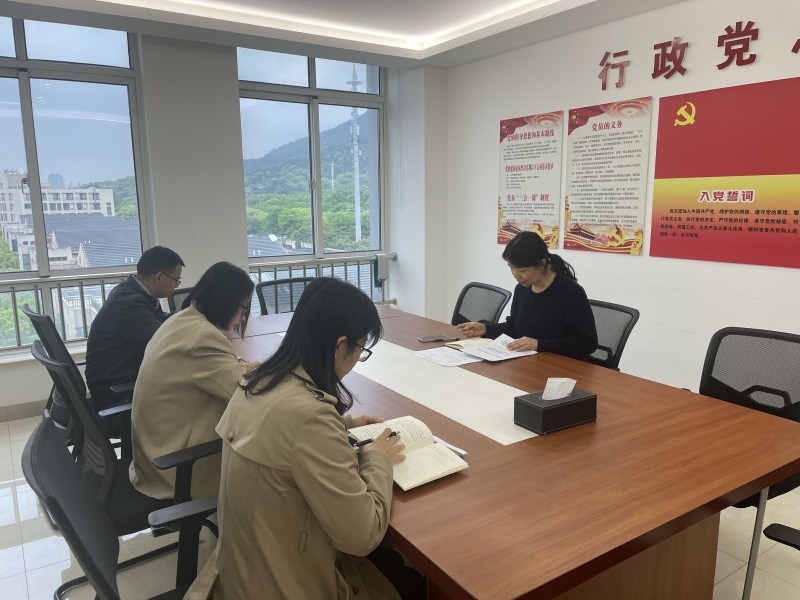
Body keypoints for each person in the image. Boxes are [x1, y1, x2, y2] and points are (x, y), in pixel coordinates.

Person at [185, 277, 409, 600]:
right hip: (283, 584)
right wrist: (378, 459)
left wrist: (342, 425)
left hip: (242, 573)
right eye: (361, 348)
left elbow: (282, 436)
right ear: (339, 346)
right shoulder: (311, 417)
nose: (358, 357)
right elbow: (362, 536)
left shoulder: (256, 381)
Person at [129, 261, 259, 500]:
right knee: (272, 452)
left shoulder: (181, 320)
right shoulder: (203, 337)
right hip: (176, 469)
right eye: (244, 307)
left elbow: (212, 370)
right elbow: (248, 396)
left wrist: (242, 367)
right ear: (227, 302)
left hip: (153, 455)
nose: (243, 315)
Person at [457, 231, 598, 360]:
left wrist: (539, 344)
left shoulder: (570, 292)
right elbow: (514, 327)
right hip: (529, 361)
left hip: (562, 365)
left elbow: (587, 343)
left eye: (522, 270)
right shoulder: (522, 288)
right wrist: (486, 329)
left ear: (541, 263)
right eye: (511, 268)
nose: (515, 275)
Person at [85, 245, 184, 411]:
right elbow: (165, 342)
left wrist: (186, 315)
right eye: (176, 280)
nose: (176, 286)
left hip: (119, 379)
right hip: (117, 392)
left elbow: (159, 321)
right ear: (160, 277)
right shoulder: (129, 304)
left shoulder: (131, 292)